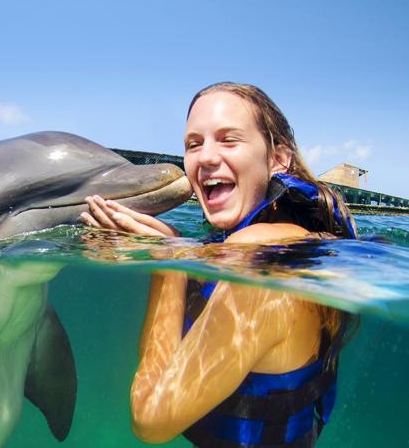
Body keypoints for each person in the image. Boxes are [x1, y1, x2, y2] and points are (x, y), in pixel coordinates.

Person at [81, 82, 357, 447]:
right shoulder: (287, 236)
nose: (206, 157)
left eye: (229, 140)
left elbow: (150, 419)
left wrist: (169, 260)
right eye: (194, 144)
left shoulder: (257, 254)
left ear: (278, 159)